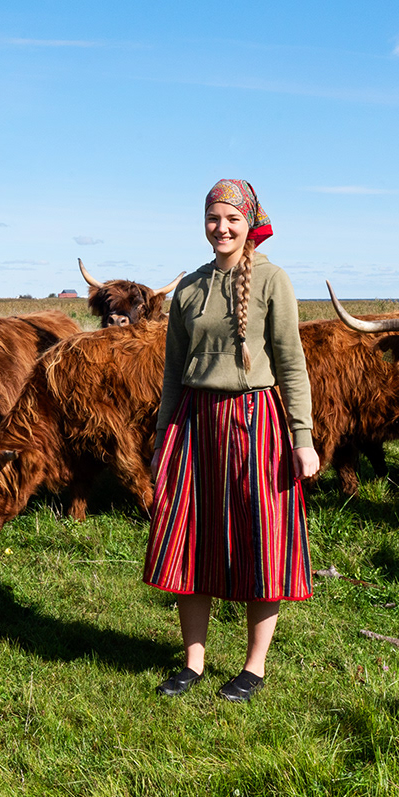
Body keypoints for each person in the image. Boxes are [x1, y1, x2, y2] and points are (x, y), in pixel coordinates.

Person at [144, 179, 319, 702]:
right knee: (189, 539)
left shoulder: (272, 280)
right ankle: (193, 663)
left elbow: (291, 364)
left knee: (260, 541)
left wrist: (303, 438)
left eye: (232, 220)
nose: (222, 229)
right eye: (213, 219)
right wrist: (161, 439)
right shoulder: (192, 288)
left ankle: (253, 668)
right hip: (195, 424)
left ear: (249, 224)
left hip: (255, 421)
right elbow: (174, 371)